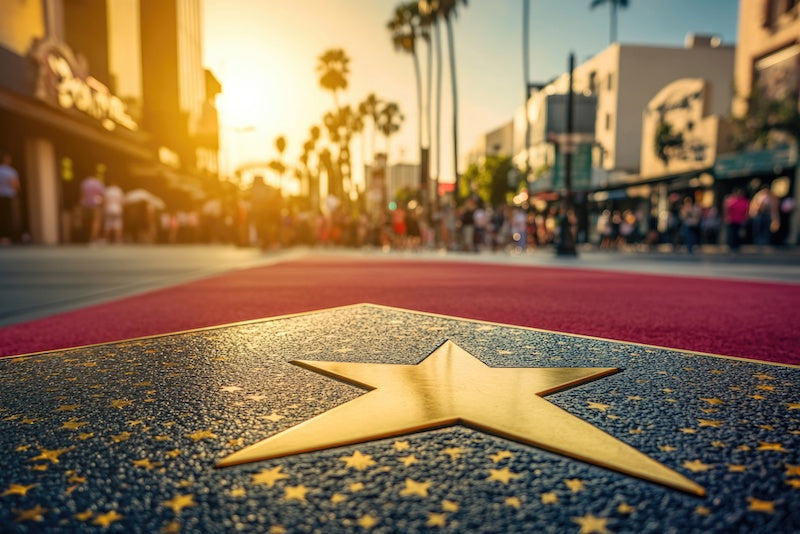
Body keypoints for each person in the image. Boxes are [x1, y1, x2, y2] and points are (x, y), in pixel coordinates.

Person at [0, 152, 20, 245]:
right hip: (9, 196)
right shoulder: (11, 171)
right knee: (10, 217)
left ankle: (2, 237)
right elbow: (15, 184)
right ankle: (8, 237)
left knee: (2, 216)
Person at [80, 174, 105, 243]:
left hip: (86, 204)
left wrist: (81, 204)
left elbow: (82, 194)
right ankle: (93, 238)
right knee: (96, 221)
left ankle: (86, 238)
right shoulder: (99, 183)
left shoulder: (85, 182)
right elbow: (102, 195)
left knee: (87, 221)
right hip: (96, 204)